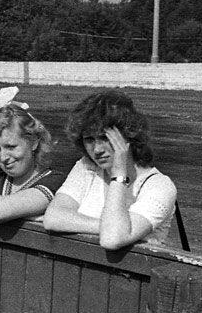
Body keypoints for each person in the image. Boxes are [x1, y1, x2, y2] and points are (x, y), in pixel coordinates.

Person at [44, 90, 176, 250]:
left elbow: (112, 239)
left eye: (105, 138)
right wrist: (108, 225)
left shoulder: (159, 186)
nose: (97, 149)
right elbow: (52, 218)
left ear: (129, 136)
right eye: (89, 139)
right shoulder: (87, 167)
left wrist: (119, 176)